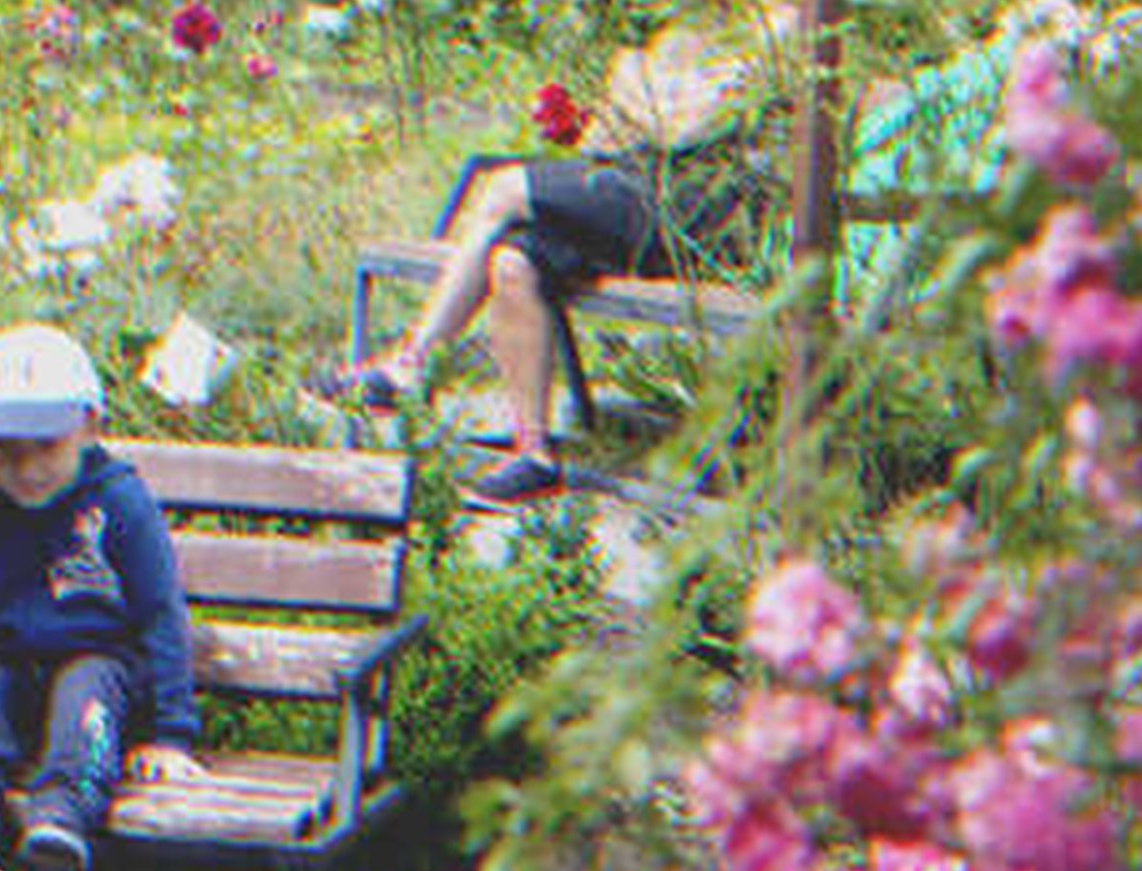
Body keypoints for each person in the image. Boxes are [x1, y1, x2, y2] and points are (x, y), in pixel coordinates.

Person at [316, 4, 798, 506]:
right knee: (513, 262)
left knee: (504, 190)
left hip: (698, 213)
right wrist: (653, 96)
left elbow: (684, 127)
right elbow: (614, 125)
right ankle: (534, 456)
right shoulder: (691, 20)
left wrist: (655, 96)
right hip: (633, 189)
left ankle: (412, 365)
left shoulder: (779, 24)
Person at [0, 323, 206, 871]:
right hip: (0, 662)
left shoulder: (117, 498)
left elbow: (159, 612)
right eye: (2, 450)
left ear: (89, 426)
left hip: (96, 662)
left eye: (46, 446)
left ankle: (61, 821)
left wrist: (172, 734)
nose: (25, 468)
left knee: (87, 687)